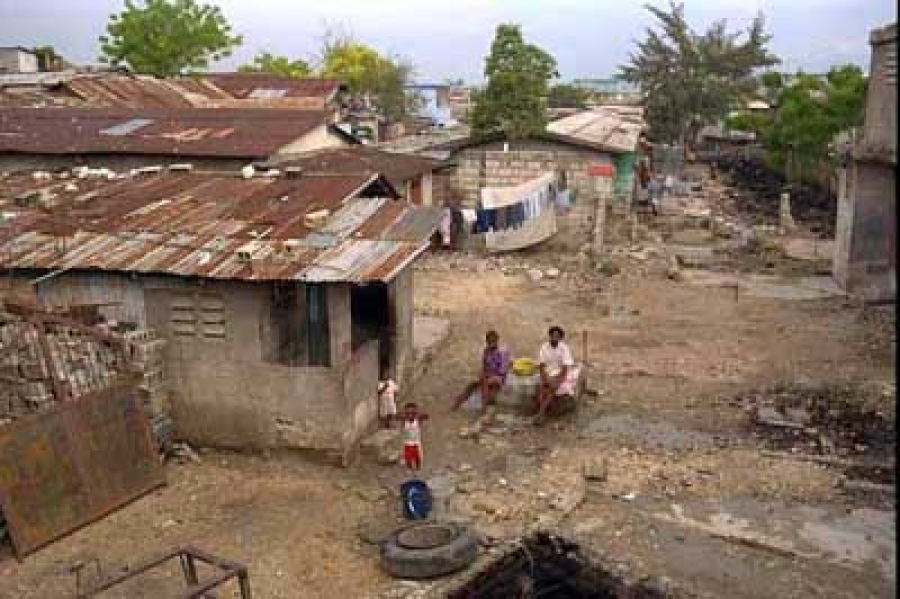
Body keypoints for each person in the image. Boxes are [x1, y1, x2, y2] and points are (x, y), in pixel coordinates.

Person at [452, 330, 511, 412]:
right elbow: (484, 367)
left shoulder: (502, 353)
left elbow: (502, 371)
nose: (491, 343)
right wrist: (482, 375)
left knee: (484, 382)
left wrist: (489, 376)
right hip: (488, 375)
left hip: (499, 377)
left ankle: (484, 408)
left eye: (493, 341)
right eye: (489, 342)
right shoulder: (486, 351)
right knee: (472, 384)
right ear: (487, 342)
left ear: (497, 340)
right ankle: (456, 406)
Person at [533, 326, 576, 425]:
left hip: (560, 374)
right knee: (541, 387)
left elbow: (565, 368)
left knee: (553, 387)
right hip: (547, 373)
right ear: (550, 336)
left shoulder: (564, 348)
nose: (554, 338)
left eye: (557, 336)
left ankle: (540, 413)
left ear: (560, 338)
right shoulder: (544, 347)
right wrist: (545, 378)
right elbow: (541, 365)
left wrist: (558, 379)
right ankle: (542, 413)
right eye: (553, 336)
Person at [394, 402, 429, 471]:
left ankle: (418, 467)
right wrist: (403, 414)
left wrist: (418, 414)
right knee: (408, 458)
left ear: (415, 413)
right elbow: (396, 417)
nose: (410, 415)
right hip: (407, 443)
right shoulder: (404, 420)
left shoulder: (418, 420)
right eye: (408, 413)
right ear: (406, 413)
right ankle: (410, 467)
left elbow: (426, 416)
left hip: (416, 443)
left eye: (412, 413)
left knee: (417, 457)